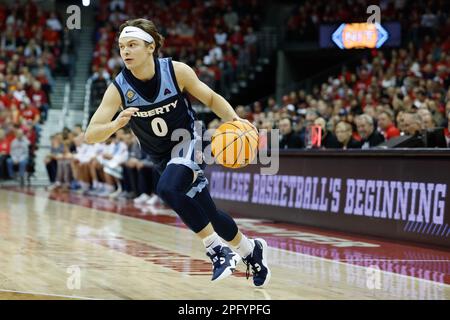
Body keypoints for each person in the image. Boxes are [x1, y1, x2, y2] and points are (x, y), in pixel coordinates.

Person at [84, 19, 270, 287]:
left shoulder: (176, 71)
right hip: (163, 158)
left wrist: (236, 120)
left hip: (190, 141)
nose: (125, 51)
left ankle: (217, 251)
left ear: (150, 47)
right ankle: (251, 251)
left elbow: (212, 98)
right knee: (211, 215)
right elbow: (91, 133)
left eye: (132, 45)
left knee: (167, 190)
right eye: (122, 46)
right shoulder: (119, 88)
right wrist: (115, 124)